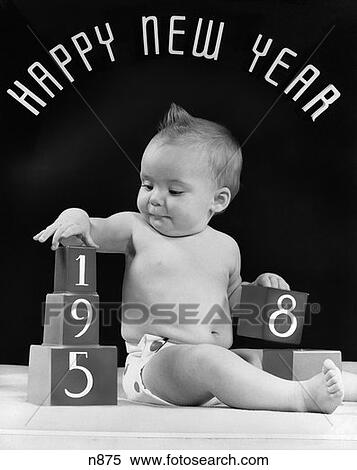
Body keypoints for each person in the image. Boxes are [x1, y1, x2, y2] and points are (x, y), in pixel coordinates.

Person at [34, 103, 353, 413]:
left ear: (218, 200)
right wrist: (77, 216)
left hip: (214, 360)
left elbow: (232, 300)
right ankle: (300, 399)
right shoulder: (136, 229)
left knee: (255, 360)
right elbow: (94, 229)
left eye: (174, 191)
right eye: (147, 184)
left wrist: (261, 289)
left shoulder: (226, 246)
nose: (155, 198)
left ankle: (344, 386)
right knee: (208, 362)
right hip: (157, 363)